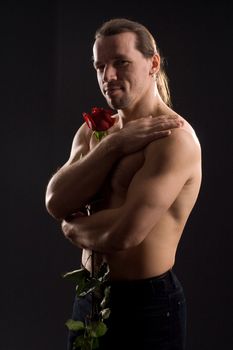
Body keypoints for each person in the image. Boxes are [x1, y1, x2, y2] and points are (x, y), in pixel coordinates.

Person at [45, 18, 202, 350]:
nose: (108, 76)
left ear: (153, 64)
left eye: (121, 62)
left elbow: (125, 234)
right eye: (100, 66)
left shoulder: (173, 139)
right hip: (91, 296)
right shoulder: (93, 131)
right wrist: (114, 144)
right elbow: (56, 201)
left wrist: (72, 230)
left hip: (147, 304)